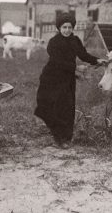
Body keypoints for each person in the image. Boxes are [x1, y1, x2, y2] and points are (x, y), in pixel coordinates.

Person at [34, 13, 103, 148]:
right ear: (59, 28)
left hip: (68, 78)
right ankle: (59, 139)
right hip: (52, 78)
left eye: (70, 27)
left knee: (69, 106)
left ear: (73, 28)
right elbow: (57, 61)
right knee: (57, 106)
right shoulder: (54, 42)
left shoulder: (75, 40)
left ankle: (66, 137)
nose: (67, 30)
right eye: (64, 27)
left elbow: (83, 54)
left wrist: (97, 60)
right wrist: (76, 67)